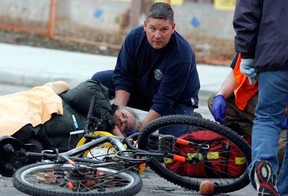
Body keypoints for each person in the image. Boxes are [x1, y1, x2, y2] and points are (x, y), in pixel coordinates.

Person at [91, 2, 200, 135]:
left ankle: (193, 124)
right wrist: (120, 113)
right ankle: (104, 119)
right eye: (152, 29)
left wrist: (141, 131)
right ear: (145, 26)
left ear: (173, 28)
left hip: (176, 101)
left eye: (164, 29)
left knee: (167, 142)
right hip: (146, 89)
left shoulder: (182, 54)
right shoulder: (133, 38)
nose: (157, 35)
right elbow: (124, 76)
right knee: (99, 80)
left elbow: (165, 99)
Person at [233, 0, 288, 196]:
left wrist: (246, 54)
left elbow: (246, 12)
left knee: (267, 118)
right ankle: (286, 190)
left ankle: (263, 166)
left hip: (274, 53)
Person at [0, 80, 140, 151]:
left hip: (42, 138)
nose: (121, 120)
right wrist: (113, 126)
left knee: (25, 153)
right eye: (123, 115)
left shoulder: (103, 138)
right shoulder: (98, 98)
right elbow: (86, 89)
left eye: (124, 125)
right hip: (40, 113)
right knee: (17, 127)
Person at [207, 53, 287, 170]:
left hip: (281, 112)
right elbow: (236, 72)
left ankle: (266, 144)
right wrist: (221, 95)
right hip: (259, 102)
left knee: (279, 152)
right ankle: (255, 140)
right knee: (214, 101)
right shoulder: (251, 42)